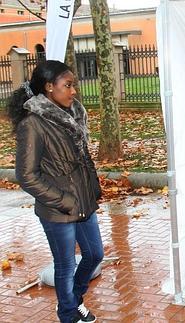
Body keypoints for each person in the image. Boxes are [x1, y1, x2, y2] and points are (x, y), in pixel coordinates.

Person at [8, 60, 103, 323]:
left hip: (84, 201)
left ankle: (74, 300)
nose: (74, 91)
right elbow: (26, 176)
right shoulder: (33, 124)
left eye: (74, 84)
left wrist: (92, 189)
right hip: (57, 208)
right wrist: (64, 200)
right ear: (49, 87)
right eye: (68, 85)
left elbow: (83, 159)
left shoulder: (73, 113)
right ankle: (68, 314)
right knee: (65, 265)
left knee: (95, 255)